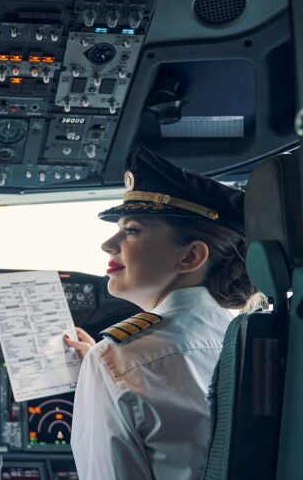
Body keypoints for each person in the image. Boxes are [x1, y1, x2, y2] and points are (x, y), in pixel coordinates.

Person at [63, 146, 259, 480]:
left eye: (133, 230)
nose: (108, 244)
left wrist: (104, 370)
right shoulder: (248, 343)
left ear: (190, 257)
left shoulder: (116, 362)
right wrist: (104, 370)